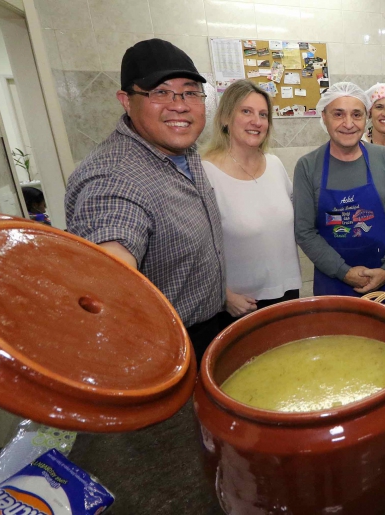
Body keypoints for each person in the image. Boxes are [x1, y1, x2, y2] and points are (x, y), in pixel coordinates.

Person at [65, 39, 227, 360]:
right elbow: (111, 260)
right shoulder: (113, 176)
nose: (179, 105)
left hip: (211, 325)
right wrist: (108, 281)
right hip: (164, 348)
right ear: (126, 100)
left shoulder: (181, 146)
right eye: (160, 92)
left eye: (190, 92)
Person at [293, 82, 385, 296]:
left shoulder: (382, 157)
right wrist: (343, 272)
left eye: (356, 114)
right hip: (333, 280)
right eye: (338, 114)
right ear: (324, 117)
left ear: (366, 118)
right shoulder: (308, 166)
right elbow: (305, 232)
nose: (348, 123)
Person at [201, 80, 301, 318]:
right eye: (246, 111)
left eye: (263, 114)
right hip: (241, 303)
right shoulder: (206, 172)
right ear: (225, 118)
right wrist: (223, 295)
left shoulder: (275, 165)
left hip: (287, 291)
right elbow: (196, 249)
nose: (257, 121)